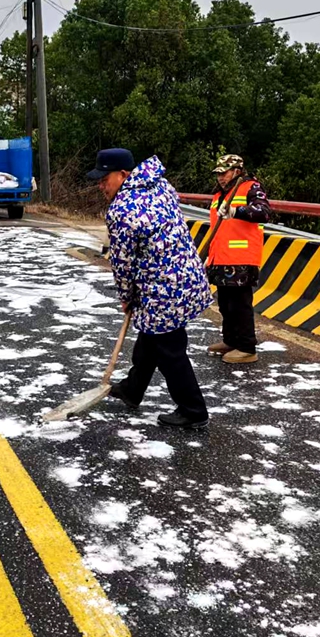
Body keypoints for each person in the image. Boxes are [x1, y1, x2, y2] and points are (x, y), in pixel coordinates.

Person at [87, 148, 211, 430]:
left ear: (123, 175)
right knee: (151, 337)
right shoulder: (160, 185)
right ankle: (133, 389)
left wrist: (127, 297)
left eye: (104, 178)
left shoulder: (121, 210)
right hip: (187, 275)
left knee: (169, 349)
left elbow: (123, 263)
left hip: (162, 288)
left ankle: (193, 410)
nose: (100, 185)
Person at [204, 154, 272, 364]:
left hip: (241, 258)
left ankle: (246, 347)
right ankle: (231, 340)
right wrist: (210, 255)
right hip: (222, 257)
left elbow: (264, 212)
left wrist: (237, 211)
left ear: (236, 171)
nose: (221, 178)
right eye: (218, 174)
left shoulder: (250, 187)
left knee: (240, 304)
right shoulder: (220, 195)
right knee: (225, 303)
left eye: (224, 173)